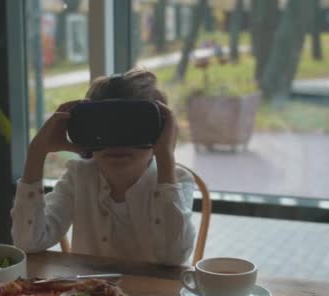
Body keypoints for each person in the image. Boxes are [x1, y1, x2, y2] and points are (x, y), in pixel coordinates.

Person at [11, 68, 195, 265]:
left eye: (134, 127)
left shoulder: (177, 180)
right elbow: (28, 242)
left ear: (160, 132)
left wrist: (166, 157)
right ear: (86, 129)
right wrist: (36, 152)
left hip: (154, 295)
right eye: (104, 127)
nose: (118, 142)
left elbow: (174, 257)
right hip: (90, 294)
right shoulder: (78, 177)